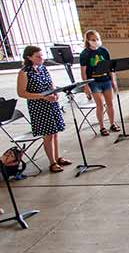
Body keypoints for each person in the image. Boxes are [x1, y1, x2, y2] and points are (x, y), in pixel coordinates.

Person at [16, 45, 70, 173]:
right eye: (38, 56)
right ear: (29, 57)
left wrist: (55, 93)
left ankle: (57, 157)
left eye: (42, 56)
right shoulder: (24, 72)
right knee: (48, 135)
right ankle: (52, 162)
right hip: (38, 106)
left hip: (51, 103)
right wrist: (43, 96)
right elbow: (22, 93)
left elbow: (51, 84)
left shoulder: (43, 68)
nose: (41, 58)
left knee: (55, 133)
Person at [79, 30, 119, 136]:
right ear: (88, 41)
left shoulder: (104, 51)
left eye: (97, 39)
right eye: (93, 40)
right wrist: (86, 85)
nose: (96, 41)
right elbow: (83, 71)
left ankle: (112, 123)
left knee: (110, 103)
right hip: (94, 82)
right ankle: (102, 126)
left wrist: (113, 81)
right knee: (100, 105)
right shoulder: (85, 54)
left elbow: (110, 67)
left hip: (106, 80)